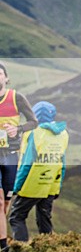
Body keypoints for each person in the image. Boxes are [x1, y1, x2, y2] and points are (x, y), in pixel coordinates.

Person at [8, 101, 68, 242]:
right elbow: (62, 164)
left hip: (32, 184)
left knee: (16, 217)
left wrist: (16, 187)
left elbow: (26, 165)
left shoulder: (34, 133)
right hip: (49, 185)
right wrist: (57, 187)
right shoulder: (63, 134)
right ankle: (48, 250)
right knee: (44, 217)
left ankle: (20, 251)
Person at [0, 62, 38, 252]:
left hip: (11, 156)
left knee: (6, 203)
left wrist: (18, 129)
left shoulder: (16, 98)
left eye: (0, 74)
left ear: (6, 78)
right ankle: (3, 248)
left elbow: (34, 122)